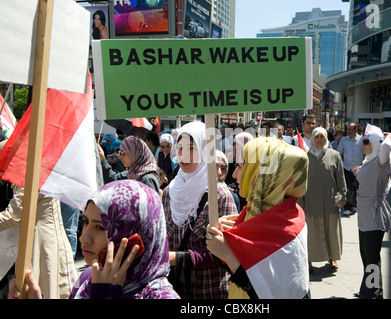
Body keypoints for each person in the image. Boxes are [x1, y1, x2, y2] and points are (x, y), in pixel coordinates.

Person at [9, 180, 180, 299]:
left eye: (100, 227)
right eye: (85, 222)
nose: (84, 237)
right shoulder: (88, 278)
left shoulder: (161, 296)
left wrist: (104, 294)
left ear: (135, 240)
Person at [206, 137, 310, 299]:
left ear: (262, 175)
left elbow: (268, 293)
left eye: (241, 167)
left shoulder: (288, 229)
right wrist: (228, 235)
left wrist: (228, 255)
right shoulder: (284, 213)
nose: (234, 175)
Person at [163, 121, 237, 299]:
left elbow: (228, 249)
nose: (184, 155)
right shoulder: (169, 192)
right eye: (180, 148)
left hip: (209, 290)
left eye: (191, 148)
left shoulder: (219, 195)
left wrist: (177, 258)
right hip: (175, 290)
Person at [1, 141, 78, 299]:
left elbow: (14, 214)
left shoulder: (27, 173)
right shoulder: (33, 168)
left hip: (42, 241)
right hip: (44, 237)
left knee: (45, 287)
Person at [353, 124, 391, 299]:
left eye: (367, 141)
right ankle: (374, 290)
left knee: (371, 257)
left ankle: (371, 293)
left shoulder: (381, 161)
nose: (363, 144)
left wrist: (389, 135)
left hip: (374, 215)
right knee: (367, 256)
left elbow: (385, 146)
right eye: (363, 141)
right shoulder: (368, 160)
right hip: (364, 215)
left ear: (376, 143)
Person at [298, 127, 347, 272]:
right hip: (310, 201)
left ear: (326, 138)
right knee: (311, 235)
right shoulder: (304, 158)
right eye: (317, 137)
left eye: (322, 137)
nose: (319, 140)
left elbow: (340, 178)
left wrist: (343, 196)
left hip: (329, 201)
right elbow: (300, 181)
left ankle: (332, 258)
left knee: (331, 232)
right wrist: (300, 203)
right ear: (312, 138)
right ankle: (309, 261)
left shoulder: (334, 155)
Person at [337, 122, 364, 216]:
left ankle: (356, 205)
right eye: (347, 129)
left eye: (350, 129)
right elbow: (339, 154)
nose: (348, 131)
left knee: (359, 188)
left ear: (356, 129)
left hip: (359, 169)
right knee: (347, 189)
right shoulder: (344, 140)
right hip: (347, 168)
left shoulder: (362, 140)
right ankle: (347, 207)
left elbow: (366, 154)